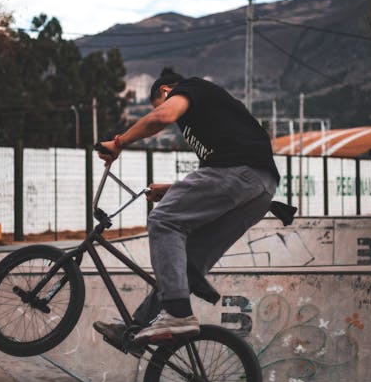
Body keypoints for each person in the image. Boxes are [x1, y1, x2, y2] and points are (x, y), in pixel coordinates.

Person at [94, 67, 280, 347]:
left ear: (166, 92)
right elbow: (216, 178)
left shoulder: (191, 88)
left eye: (162, 102)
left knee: (164, 220)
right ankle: (136, 329)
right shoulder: (209, 124)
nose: (173, 121)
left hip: (240, 173)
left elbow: (163, 116)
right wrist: (168, 190)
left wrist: (119, 142)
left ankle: (178, 314)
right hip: (260, 191)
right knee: (184, 264)